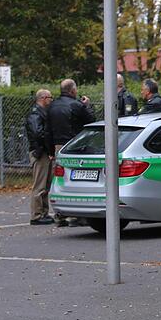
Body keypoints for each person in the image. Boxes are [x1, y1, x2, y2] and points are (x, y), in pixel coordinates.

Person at [47, 79, 95, 226]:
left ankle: (60, 213)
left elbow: (47, 129)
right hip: (76, 147)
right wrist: (87, 106)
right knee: (81, 180)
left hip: (58, 147)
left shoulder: (52, 106)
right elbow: (91, 121)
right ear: (73, 91)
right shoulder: (76, 105)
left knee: (60, 180)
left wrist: (50, 150)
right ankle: (77, 215)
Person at [26, 89, 55, 225]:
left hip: (43, 151)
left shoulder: (41, 113)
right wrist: (46, 146)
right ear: (43, 98)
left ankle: (44, 212)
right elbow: (38, 133)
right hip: (40, 153)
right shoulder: (35, 114)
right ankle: (36, 215)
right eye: (50, 97)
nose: (51, 100)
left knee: (46, 184)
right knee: (39, 185)